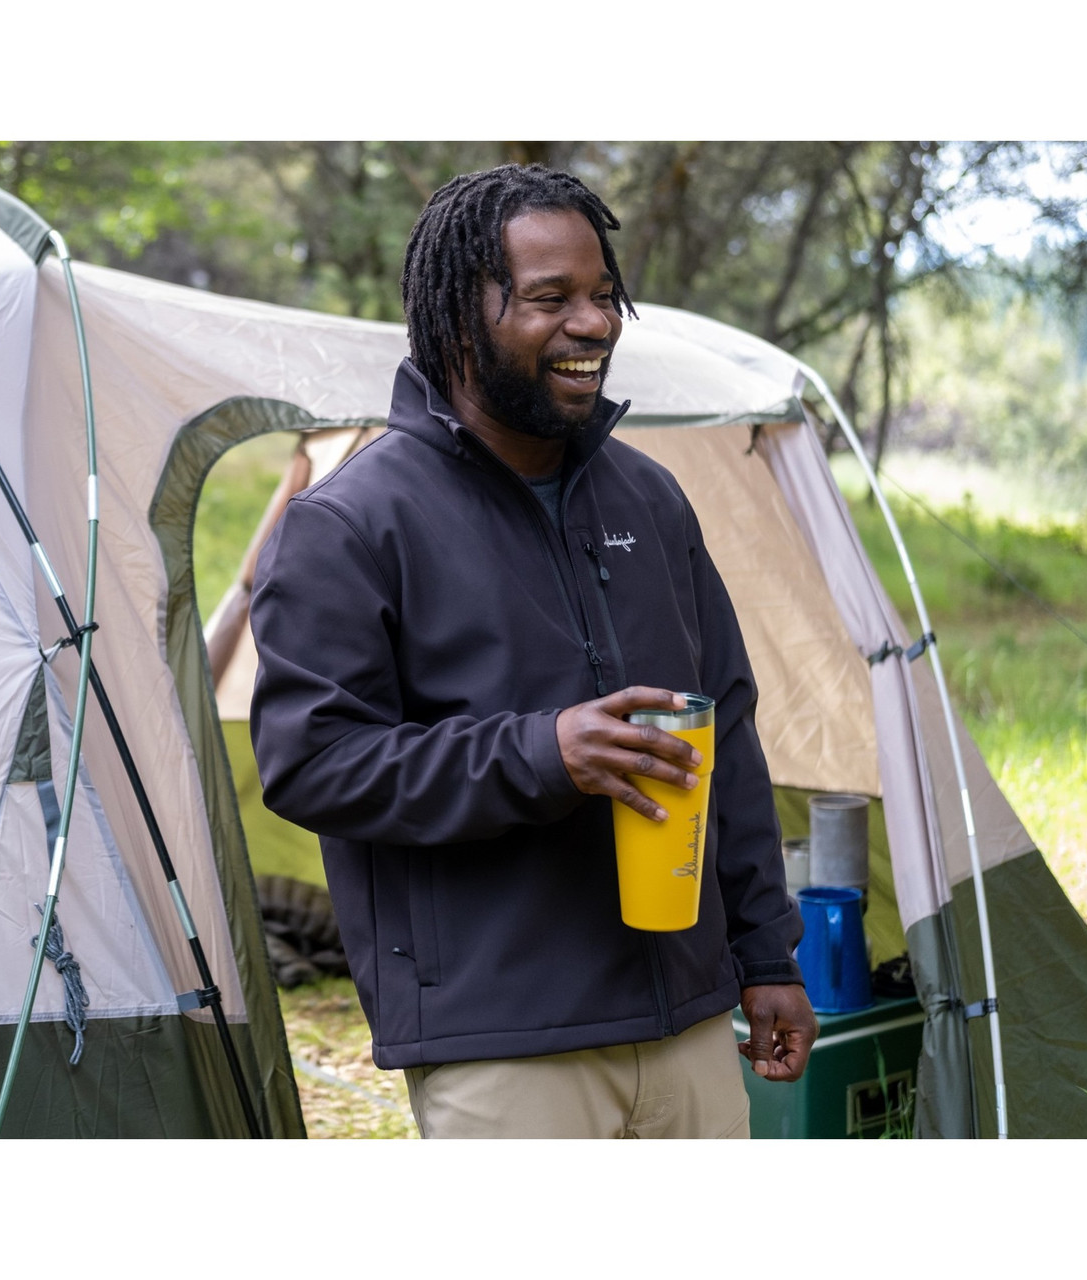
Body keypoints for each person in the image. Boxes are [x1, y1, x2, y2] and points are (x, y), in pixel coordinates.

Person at [249, 163, 816, 1139]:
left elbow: (725, 725)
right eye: (550, 297)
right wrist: (541, 752)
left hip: (685, 1018)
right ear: (457, 320)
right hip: (501, 1039)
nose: (592, 323)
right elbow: (311, 761)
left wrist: (764, 956)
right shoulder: (349, 523)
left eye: (602, 296)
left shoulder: (650, 500)